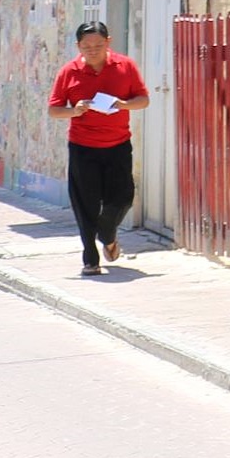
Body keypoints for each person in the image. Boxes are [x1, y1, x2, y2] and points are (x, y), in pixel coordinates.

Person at [46, 19, 148, 275]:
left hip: (118, 144)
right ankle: (90, 256)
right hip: (83, 147)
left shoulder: (125, 66)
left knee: (123, 196)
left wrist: (123, 105)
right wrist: (75, 110)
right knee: (85, 203)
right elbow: (54, 110)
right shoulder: (69, 72)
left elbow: (143, 99)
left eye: (98, 45)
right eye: (86, 46)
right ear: (78, 46)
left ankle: (108, 234)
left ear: (108, 42)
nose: (92, 50)